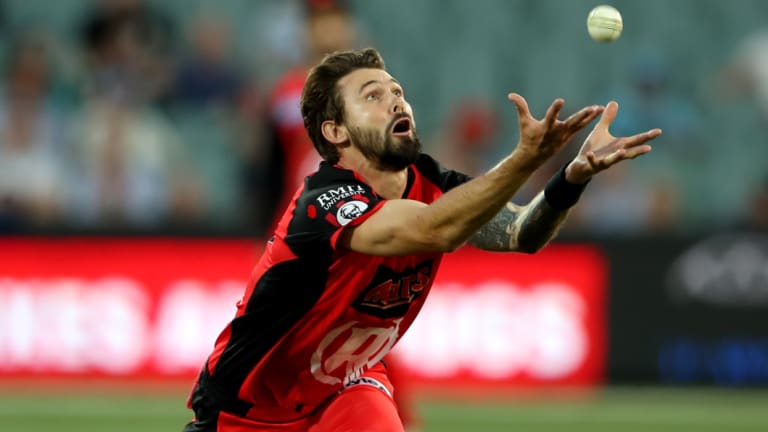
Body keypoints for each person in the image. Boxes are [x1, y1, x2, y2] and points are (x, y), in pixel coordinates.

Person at [182, 47, 661, 432]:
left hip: (344, 390)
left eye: (397, 91)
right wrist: (524, 160)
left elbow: (519, 233)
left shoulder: (432, 182)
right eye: (372, 95)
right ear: (336, 132)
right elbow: (433, 230)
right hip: (245, 414)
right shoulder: (321, 203)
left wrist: (571, 177)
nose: (395, 100)